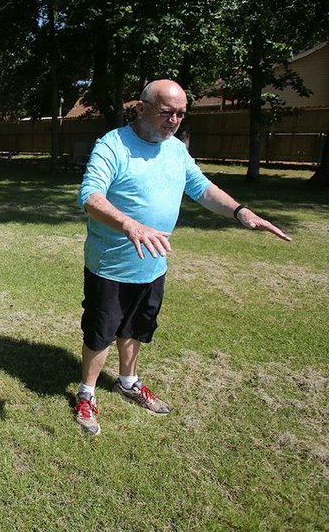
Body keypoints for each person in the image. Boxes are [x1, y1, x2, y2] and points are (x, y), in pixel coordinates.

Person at [74, 79, 291, 435]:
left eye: (181, 114)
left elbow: (201, 188)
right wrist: (130, 225)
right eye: (166, 112)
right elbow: (90, 196)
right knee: (101, 332)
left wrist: (240, 211)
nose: (175, 120)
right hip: (110, 266)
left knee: (137, 327)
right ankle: (87, 393)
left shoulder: (175, 149)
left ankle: (128, 382)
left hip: (153, 263)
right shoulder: (113, 145)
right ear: (141, 109)